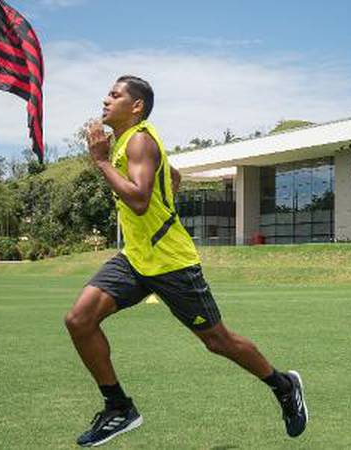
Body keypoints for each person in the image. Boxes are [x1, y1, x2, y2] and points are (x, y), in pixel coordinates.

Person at [64, 75, 308, 447]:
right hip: (135, 258)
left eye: (115, 95)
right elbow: (172, 177)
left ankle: (283, 385)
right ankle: (118, 408)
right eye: (107, 93)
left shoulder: (140, 140)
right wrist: (164, 205)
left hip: (170, 262)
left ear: (136, 107)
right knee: (79, 320)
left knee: (217, 340)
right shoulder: (128, 142)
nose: (105, 99)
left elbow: (140, 200)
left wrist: (100, 162)